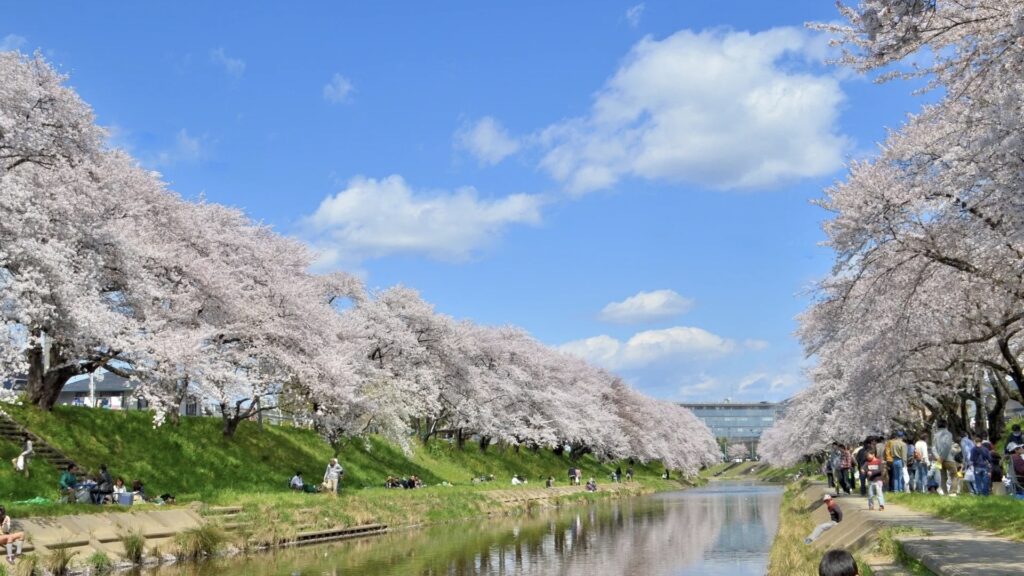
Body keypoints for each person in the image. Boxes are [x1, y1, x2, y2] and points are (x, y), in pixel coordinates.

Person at [932, 420, 958, 495]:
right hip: (948, 458)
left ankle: (945, 493)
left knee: (943, 477)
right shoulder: (948, 434)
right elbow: (947, 447)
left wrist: (938, 458)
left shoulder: (935, 435)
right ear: (946, 425)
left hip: (939, 460)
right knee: (954, 475)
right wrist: (942, 457)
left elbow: (933, 448)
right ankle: (952, 492)